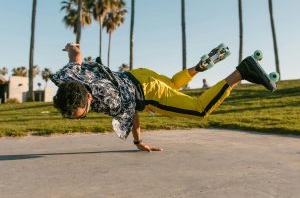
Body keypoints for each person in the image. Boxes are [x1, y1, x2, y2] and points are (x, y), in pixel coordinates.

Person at [50, 43, 277, 152]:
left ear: (89, 98)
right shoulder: (69, 76)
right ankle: (197, 68)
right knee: (170, 84)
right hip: (138, 74)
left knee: (199, 110)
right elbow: (76, 55)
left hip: (146, 92)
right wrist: (71, 47)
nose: (79, 119)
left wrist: (138, 142)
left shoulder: (111, 102)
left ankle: (242, 72)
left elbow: (133, 115)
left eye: (82, 115)